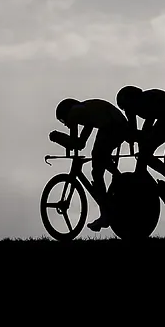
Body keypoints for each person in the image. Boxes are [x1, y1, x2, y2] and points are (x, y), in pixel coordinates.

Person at [52, 97, 128, 232]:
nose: (66, 124)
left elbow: (75, 143)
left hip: (113, 126)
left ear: (66, 113)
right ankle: (118, 180)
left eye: (64, 120)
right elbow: (81, 143)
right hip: (117, 124)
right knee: (98, 159)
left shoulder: (75, 113)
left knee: (97, 166)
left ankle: (105, 213)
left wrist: (58, 137)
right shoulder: (88, 114)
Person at [117, 85, 165, 198]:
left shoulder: (145, 100)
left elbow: (146, 125)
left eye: (127, 108)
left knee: (145, 154)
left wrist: (138, 139)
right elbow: (141, 126)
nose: (128, 112)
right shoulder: (147, 96)